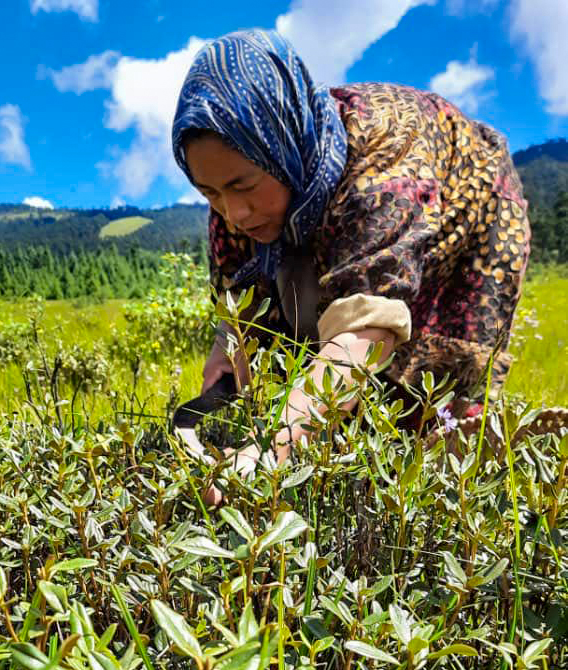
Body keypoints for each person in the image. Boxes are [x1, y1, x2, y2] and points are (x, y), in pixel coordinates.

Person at [171, 29, 530, 501]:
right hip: (334, 210)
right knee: (308, 369)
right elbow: (239, 312)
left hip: (468, 219)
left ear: (282, 147)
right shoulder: (231, 196)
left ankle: (454, 487)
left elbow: (366, 331)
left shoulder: (385, 161)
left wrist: (269, 449)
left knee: (426, 398)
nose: (233, 213)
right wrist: (224, 367)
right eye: (209, 193)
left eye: (243, 185)